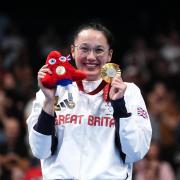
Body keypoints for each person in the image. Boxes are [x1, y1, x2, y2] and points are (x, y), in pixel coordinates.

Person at [26, 21, 152, 179]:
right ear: (73, 51)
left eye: (99, 50)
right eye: (84, 49)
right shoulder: (52, 91)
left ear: (109, 55)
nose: (91, 57)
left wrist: (119, 105)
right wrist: (49, 101)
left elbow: (135, 152)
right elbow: (40, 151)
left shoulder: (128, 92)